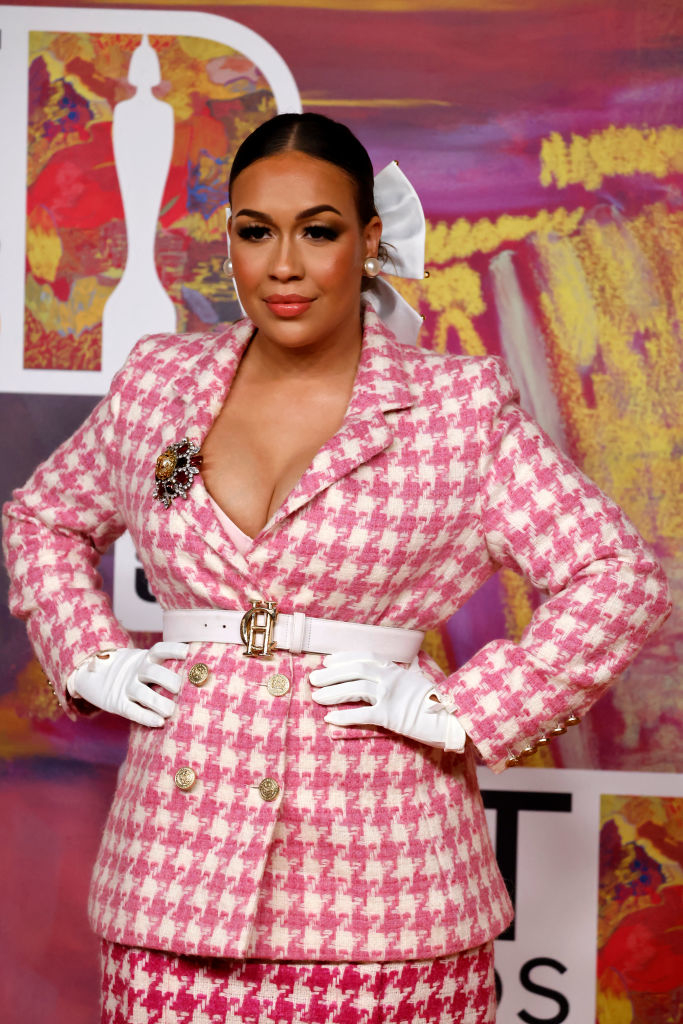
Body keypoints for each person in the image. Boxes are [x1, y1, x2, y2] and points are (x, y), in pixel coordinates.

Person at [2, 112, 670, 1024]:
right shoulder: (158, 381)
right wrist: (91, 658)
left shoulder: (454, 409)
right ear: (229, 239)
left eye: (318, 230)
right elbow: (42, 517)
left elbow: (614, 576)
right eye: (254, 231)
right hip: (175, 877)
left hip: (390, 891)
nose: (283, 265)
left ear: (369, 240)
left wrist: (460, 707)